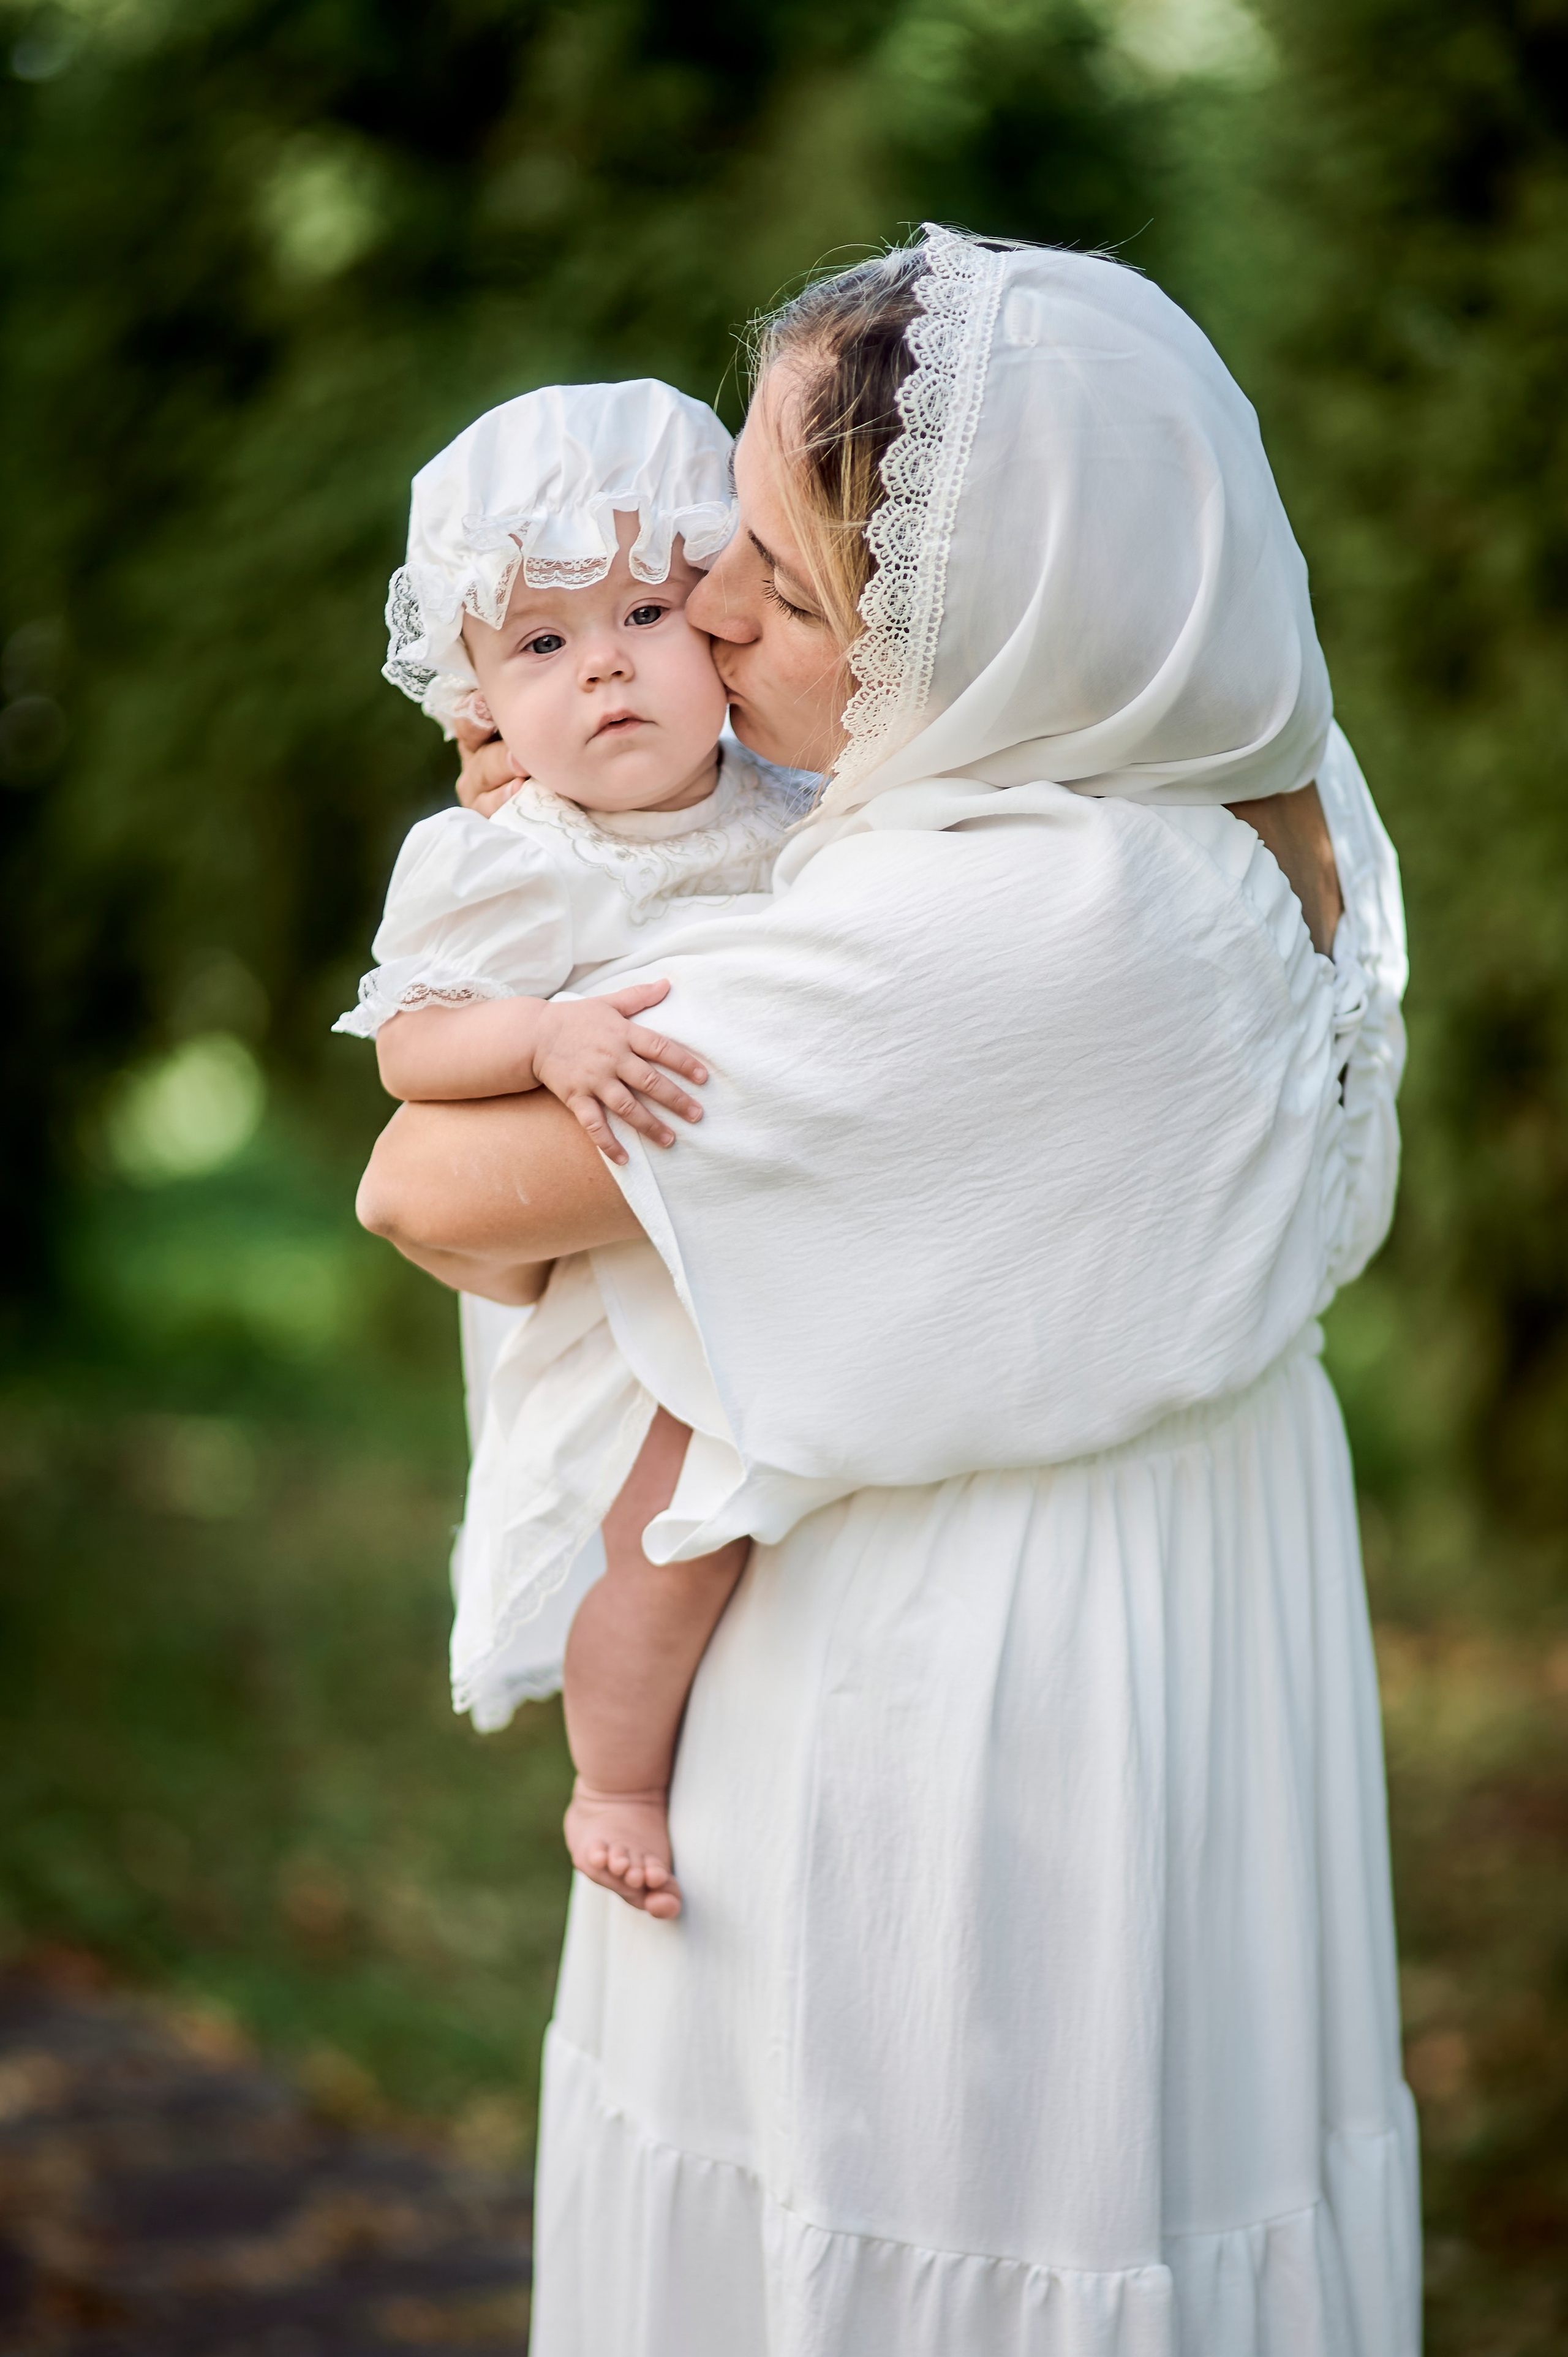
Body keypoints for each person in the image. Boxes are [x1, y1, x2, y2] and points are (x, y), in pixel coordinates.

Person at [357, 230, 1418, 2355]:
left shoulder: (1005, 922)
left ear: (980, 610)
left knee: (914, 2239)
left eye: (775, 574)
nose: (715, 618)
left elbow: (426, 1183)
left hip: (957, 1731)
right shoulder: (1247, 802)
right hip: (1182, 1634)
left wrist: (556, 938)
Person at [337, 379, 815, 1914]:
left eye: (645, 612)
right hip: (620, 1289)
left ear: (721, 623)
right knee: (665, 1534)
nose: (602, 664)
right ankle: (612, 1777)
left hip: (764, 1237)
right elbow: (412, 1040)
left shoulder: (791, 799)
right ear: (479, 702)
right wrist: (540, 1038)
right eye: (542, 643)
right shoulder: (509, 854)